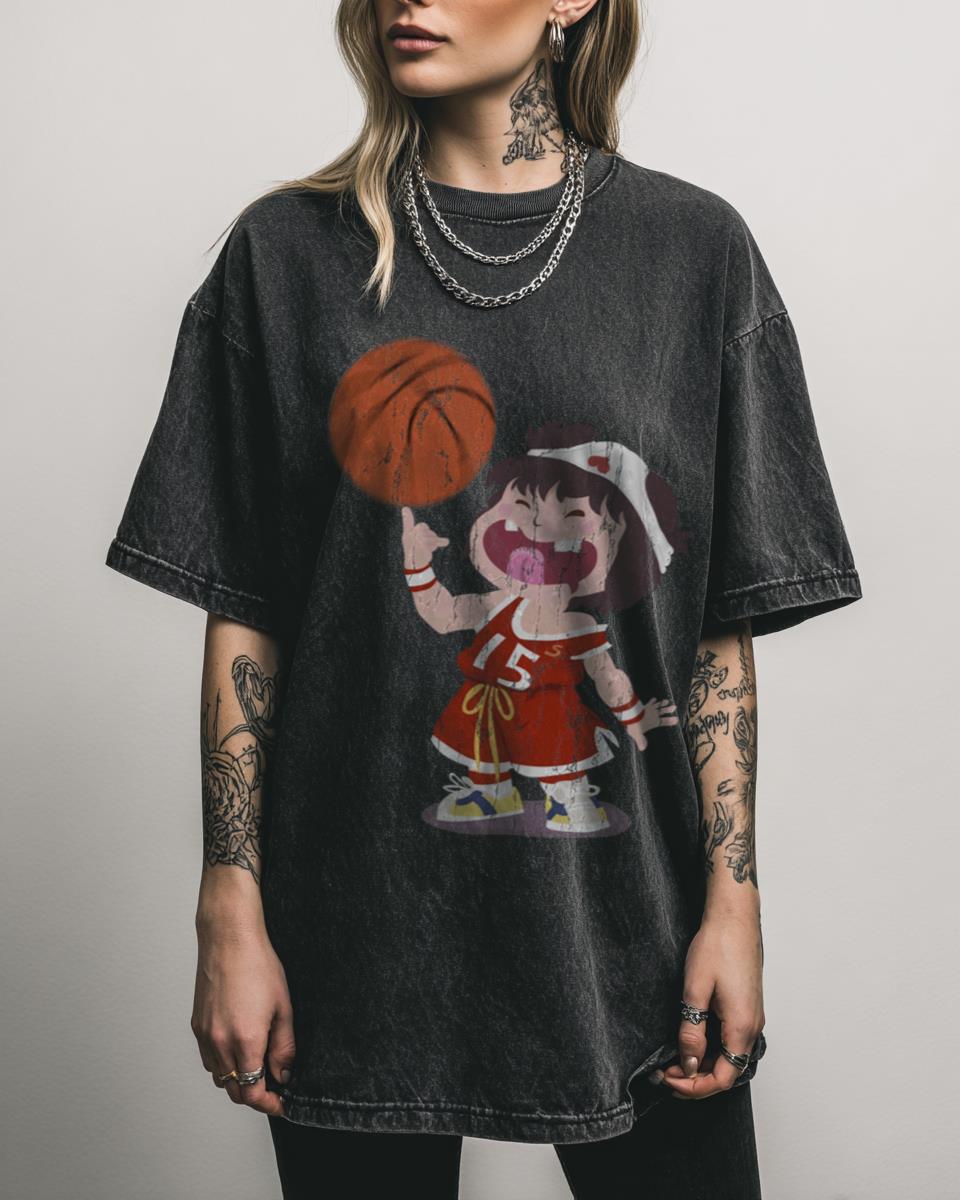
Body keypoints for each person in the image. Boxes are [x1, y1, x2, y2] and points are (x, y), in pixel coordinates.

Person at [104, 1, 864, 1196]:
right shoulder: (284, 256)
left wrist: (735, 901)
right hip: (352, 934)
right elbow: (245, 611)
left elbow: (716, 632)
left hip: (634, 929)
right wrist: (229, 904)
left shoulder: (694, 254)